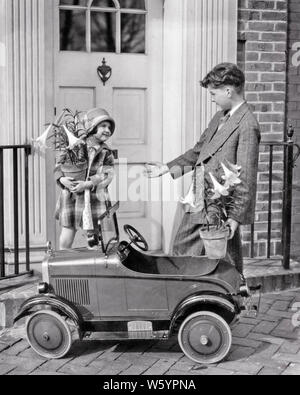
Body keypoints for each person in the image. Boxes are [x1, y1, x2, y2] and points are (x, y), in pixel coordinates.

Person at [145, 63, 261, 275]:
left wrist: (234, 218)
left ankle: (226, 299)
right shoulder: (220, 116)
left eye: (213, 92)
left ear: (228, 90)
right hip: (199, 196)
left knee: (212, 260)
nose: (211, 97)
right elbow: (200, 151)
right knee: (189, 254)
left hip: (219, 205)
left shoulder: (247, 125)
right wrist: (167, 168)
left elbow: (246, 176)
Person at [54, 108, 116, 250]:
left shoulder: (107, 152)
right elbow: (58, 166)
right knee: (68, 229)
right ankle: (62, 262)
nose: (107, 130)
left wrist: (88, 183)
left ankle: (93, 263)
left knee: (94, 234)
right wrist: (62, 180)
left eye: (109, 127)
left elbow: (107, 174)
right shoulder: (74, 145)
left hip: (94, 196)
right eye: (103, 126)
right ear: (92, 127)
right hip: (72, 193)